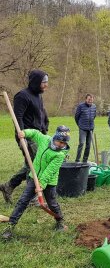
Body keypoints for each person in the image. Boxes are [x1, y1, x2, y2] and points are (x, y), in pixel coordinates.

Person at [1, 126, 70, 240]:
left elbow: (49, 171)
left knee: (52, 203)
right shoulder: (44, 139)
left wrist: (41, 185)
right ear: (54, 138)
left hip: (49, 182)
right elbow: (34, 133)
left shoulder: (60, 155)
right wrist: (24, 133)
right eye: (59, 141)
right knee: (23, 201)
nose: (60, 145)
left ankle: (60, 221)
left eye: (63, 143)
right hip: (34, 177)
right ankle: (10, 226)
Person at [0, 69, 49, 204]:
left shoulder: (38, 95)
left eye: (46, 82)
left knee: (31, 165)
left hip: (38, 136)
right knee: (35, 165)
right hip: (26, 136)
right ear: (36, 82)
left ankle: (8, 185)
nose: (46, 85)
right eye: (44, 82)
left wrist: (45, 130)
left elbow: (41, 114)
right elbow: (18, 118)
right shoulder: (22, 96)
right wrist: (21, 138)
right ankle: (32, 198)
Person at [74, 94, 96, 163]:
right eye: (89, 99)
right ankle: (77, 160)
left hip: (91, 128)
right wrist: (80, 125)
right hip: (82, 128)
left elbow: (94, 116)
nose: (90, 101)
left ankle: (85, 160)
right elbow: (76, 117)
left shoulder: (94, 106)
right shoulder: (81, 106)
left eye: (91, 99)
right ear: (86, 99)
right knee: (81, 143)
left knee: (88, 145)